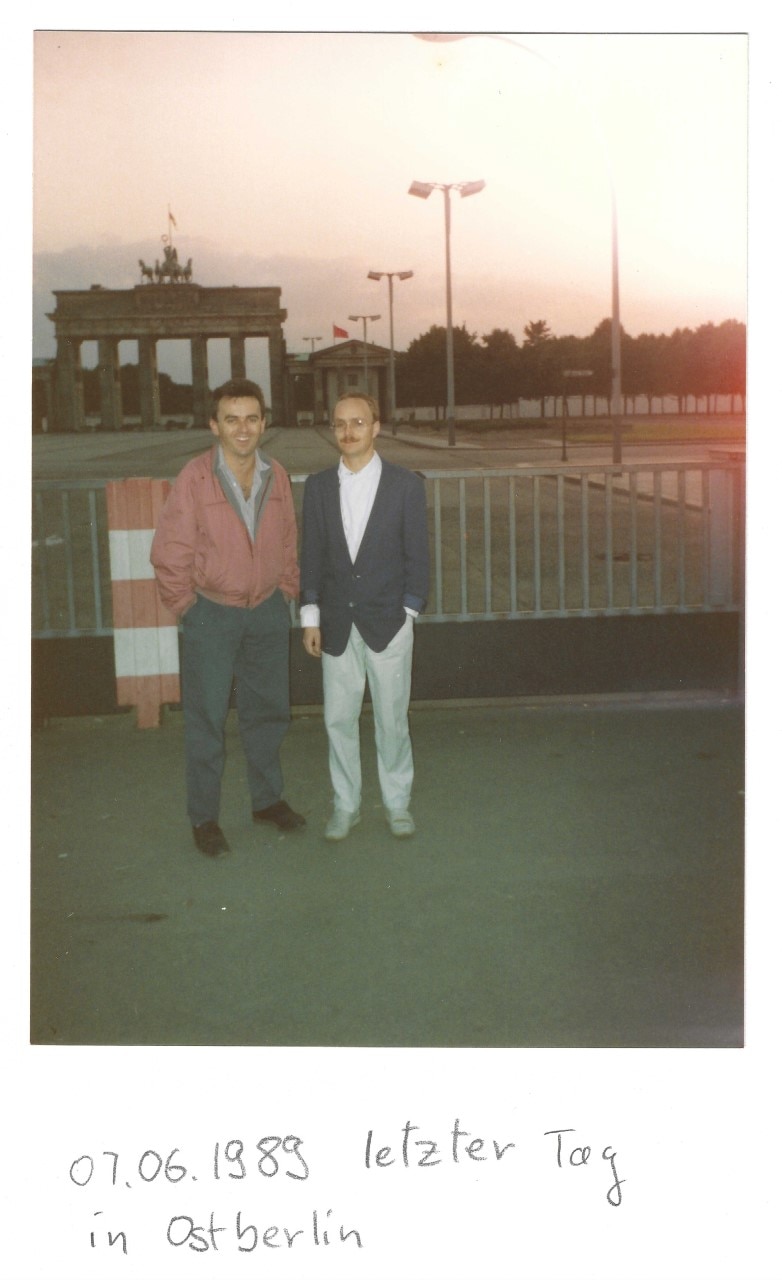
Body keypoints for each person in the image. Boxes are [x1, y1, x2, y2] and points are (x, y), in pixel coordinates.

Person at [150, 377, 305, 857]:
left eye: (251, 418)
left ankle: (267, 800)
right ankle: (205, 818)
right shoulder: (194, 478)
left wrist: (285, 592)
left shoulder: (275, 474)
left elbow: (287, 540)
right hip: (211, 615)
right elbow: (170, 551)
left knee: (267, 714)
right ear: (214, 425)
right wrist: (186, 608)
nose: (243, 428)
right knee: (206, 721)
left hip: (265, 614)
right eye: (232, 419)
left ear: (264, 422)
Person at [299, 392, 429, 840]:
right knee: (339, 718)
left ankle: (397, 803)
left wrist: (409, 609)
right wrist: (310, 616)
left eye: (358, 422)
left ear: (376, 427)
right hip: (336, 624)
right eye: (339, 424)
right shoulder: (317, 487)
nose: (348, 432)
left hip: (389, 622)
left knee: (392, 718)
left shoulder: (405, 484)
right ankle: (346, 804)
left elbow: (418, 554)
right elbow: (311, 555)